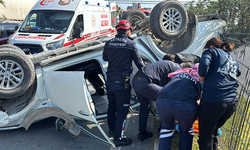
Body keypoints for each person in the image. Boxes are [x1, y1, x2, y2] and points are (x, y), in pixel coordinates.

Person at [102, 20, 145, 147]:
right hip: (122, 83)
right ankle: (118, 138)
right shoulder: (131, 43)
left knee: (112, 106)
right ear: (129, 30)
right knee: (122, 111)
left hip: (109, 81)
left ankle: (112, 129)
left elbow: (105, 58)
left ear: (117, 30)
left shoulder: (108, 43)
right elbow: (139, 63)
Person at [132, 60, 192, 141]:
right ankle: (161, 131)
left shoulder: (170, 65)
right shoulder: (177, 70)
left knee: (145, 106)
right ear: (186, 69)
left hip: (136, 81)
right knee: (168, 102)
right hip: (146, 82)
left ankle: (142, 133)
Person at [198, 37, 241, 150]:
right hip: (232, 102)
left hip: (214, 100)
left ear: (211, 46)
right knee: (213, 133)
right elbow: (238, 72)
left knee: (205, 139)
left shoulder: (211, 51)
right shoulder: (232, 59)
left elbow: (203, 63)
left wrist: (202, 78)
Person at [156, 63, 202, 150]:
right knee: (186, 131)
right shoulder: (200, 78)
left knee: (166, 129)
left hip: (162, 101)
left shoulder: (179, 74)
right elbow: (200, 99)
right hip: (185, 105)